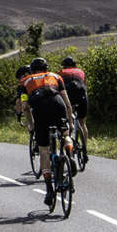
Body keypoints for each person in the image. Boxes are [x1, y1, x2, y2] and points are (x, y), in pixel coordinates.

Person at [21, 57, 76, 206]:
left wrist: (31, 124)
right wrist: (69, 126)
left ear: (32, 70)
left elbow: (25, 107)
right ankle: (69, 153)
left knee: (44, 150)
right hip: (58, 104)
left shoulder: (25, 81)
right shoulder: (56, 77)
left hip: (40, 109)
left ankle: (50, 189)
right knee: (65, 135)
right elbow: (67, 102)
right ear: (47, 68)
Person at [59, 55, 89, 147]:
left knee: (64, 116)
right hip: (82, 96)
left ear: (64, 66)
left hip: (69, 96)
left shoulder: (61, 72)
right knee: (83, 123)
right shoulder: (81, 71)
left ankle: (70, 131)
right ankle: (85, 148)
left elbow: (59, 88)